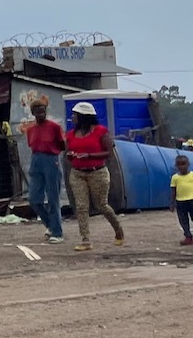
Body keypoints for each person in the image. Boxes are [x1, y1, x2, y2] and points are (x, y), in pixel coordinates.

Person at [65, 102, 125, 251]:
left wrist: (89, 155)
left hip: (97, 172)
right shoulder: (71, 134)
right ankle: (85, 240)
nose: (72, 117)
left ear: (83, 117)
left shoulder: (101, 132)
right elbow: (68, 152)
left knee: (102, 205)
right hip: (78, 173)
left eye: (75, 115)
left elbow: (109, 152)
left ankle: (118, 230)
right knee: (81, 207)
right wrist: (70, 155)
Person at [24, 97, 67, 243]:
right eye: (37, 112)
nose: (41, 114)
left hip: (51, 159)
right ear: (33, 113)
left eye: (43, 111)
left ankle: (57, 233)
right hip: (36, 160)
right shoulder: (30, 129)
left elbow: (63, 145)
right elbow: (32, 145)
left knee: (53, 197)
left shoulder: (54, 127)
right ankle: (50, 224)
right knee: (34, 199)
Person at [173, 154, 193, 247]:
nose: (181, 166)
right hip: (180, 202)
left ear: (188, 164)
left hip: (192, 200)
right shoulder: (175, 177)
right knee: (183, 220)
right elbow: (173, 190)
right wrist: (172, 203)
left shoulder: (192, 175)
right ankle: (188, 237)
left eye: (183, 164)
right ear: (176, 166)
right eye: (179, 164)